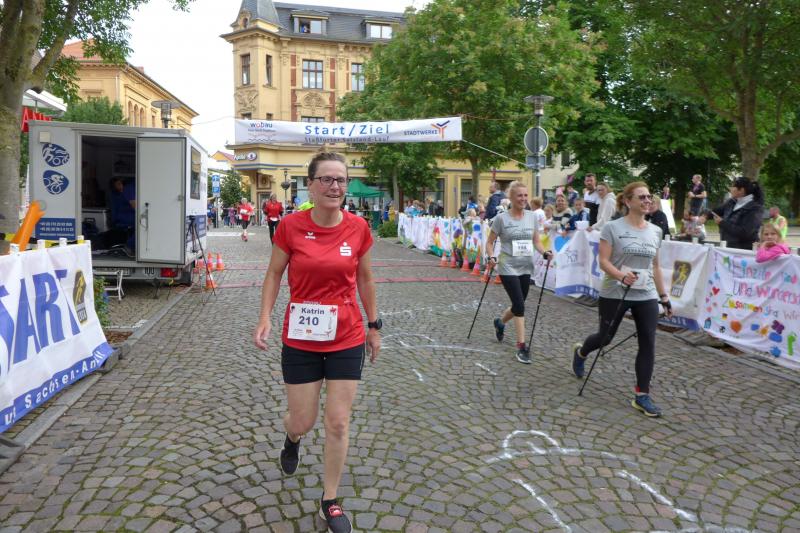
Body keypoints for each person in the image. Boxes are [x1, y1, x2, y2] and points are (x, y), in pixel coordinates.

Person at [253, 152, 380, 533]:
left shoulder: (358, 228)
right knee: (304, 420)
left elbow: (366, 279)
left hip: (346, 335)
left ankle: (330, 501)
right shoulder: (290, 226)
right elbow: (274, 274)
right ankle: (292, 437)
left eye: (340, 179)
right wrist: (265, 317)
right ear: (310, 185)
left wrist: (374, 325)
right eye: (326, 179)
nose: (334, 186)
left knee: (338, 422)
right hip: (302, 337)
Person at [569, 182, 672, 417]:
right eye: (641, 197)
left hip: (645, 293)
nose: (647, 200)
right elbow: (603, 261)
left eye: (649, 196)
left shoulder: (655, 230)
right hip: (615, 291)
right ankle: (582, 352)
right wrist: (620, 276)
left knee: (648, 343)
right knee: (605, 337)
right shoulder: (612, 228)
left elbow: (655, 266)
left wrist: (664, 296)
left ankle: (642, 395)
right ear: (627, 201)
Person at [485, 181, 553, 364]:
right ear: (511, 198)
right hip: (507, 266)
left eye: (525, 195)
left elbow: (536, 241)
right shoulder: (501, 219)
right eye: (519, 196)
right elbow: (489, 242)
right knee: (520, 306)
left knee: (518, 305)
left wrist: (544, 252)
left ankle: (500, 322)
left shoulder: (531, 217)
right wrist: (491, 256)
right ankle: (522, 347)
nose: (523, 199)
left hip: (525, 266)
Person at [710, 176, 764, 250]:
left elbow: (746, 232)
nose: (730, 189)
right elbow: (715, 211)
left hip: (744, 251)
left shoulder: (755, 208)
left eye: (733, 186)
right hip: (728, 248)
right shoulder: (732, 202)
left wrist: (722, 223)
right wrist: (705, 216)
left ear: (741, 190)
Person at [109, 177, 136, 250]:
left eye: (120, 184)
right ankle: (129, 246)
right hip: (126, 218)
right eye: (117, 184)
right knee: (141, 225)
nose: (120, 186)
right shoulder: (128, 190)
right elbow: (135, 207)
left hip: (123, 217)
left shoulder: (121, 192)